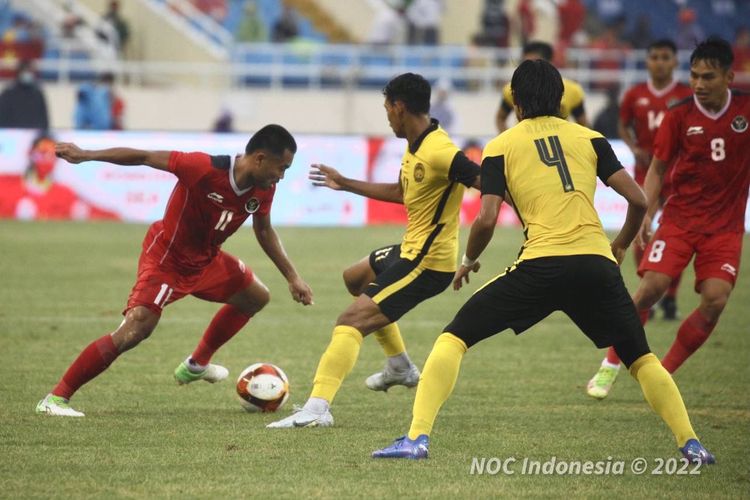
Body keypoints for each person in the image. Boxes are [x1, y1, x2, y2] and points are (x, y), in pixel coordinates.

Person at [371, 59, 715, 465]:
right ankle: (691, 444)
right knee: (640, 358)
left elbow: (485, 218)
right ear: (560, 98)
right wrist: (620, 245)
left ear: (516, 101)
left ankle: (416, 438)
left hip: (540, 265)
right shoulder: (590, 138)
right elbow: (639, 199)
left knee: (453, 338)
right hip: (595, 264)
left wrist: (468, 260)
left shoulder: (501, 145)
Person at [36, 125, 314, 417]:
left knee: (255, 297)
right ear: (259, 158)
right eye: (281, 167)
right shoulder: (203, 167)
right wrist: (86, 155)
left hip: (208, 261)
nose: (281, 176)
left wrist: (293, 277)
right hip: (168, 260)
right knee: (136, 329)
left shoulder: (263, 189)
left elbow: (264, 230)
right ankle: (56, 398)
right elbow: (143, 156)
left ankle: (196, 365)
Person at [267, 73, 480, 428]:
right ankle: (399, 366)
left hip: (427, 264)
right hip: (410, 250)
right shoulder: (416, 144)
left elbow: (484, 181)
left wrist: (472, 253)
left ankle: (318, 408)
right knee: (355, 278)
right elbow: (401, 193)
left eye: (386, 108)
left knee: (350, 321)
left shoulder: (440, 151)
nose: (386, 116)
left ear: (399, 107)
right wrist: (345, 183)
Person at [585, 37, 750, 399]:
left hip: (726, 227)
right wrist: (646, 209)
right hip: (679, 218)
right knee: (650, 289)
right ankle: (610, 363)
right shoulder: (679, 114)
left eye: (708, 77)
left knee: (716, 299)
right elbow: (657, 168)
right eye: (694, 76)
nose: (699, 84)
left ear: (728, 76)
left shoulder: (745, 110)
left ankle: (661, 375)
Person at [612, 39, 691, 324]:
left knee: (676, 234)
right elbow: (622, 124)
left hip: (679, 175)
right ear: (647, 61)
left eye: (665, 57)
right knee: (639, 232)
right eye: (654, 56)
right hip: (646, 174)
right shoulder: (635, 94)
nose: (659, 62)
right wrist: (634, 148)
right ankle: (648, 292)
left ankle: (670, 296)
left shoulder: (686, 94)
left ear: (674, 62)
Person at [0, 133, 117, 220]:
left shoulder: (65, 194)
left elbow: (101, 214)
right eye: (42, 153)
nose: (47, 159)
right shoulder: (5, 184)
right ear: (30, 153)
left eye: (52, 155)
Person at [495, 41, 587, 133]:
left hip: (559, 143)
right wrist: (508, 139)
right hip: (524, 143)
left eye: (536, 63)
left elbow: (583, 124)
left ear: (550, 63)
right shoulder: (512, 89)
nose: (531, 70)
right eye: (526, 64)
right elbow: (500, 118)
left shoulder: (572, 90)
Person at [0, 59, 49, 129]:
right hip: (11, 134)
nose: (27, 74)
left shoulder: (37, 94)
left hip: (32, 135)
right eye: (25, 71)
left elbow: (44, 119)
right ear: (19, 72)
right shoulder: (8, 93)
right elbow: (2, 117)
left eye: (29, 71)